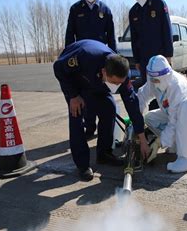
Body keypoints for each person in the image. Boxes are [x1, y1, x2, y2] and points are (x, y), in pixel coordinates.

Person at [53, 39, 149, 181]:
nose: (117, 86)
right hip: (77, 83)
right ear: (104, 72)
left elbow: (132, 106)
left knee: (109, 107)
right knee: (77, 116)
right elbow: (58, 67)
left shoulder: (122, 76)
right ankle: (82, 165)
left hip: (98, 85)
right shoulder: (85, 56)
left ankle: (104, 154)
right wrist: (73, 95)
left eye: (120, 83)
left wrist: (142, 139)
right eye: (114, 82)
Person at [137, 55, 187, 173]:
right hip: (177, 112)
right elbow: (142, 95)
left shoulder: (178, 87)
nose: (154, 82)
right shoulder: (154, 79)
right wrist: (136, 121)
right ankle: (176, 144)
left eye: (157, 80)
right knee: (150, 118)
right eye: (152, 79)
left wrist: (159, 142)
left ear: (166, 76)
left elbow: (174, 122)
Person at [65, 0, 117, 138]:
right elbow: (69, 35)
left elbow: (111, 37)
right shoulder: (75, 9)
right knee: (85, 93)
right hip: (82, 60)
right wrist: (69, 56)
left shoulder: (105, 10)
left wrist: (113, 59)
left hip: (101, 59)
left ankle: (104, 128)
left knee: (100, 92)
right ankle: (89, 126)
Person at [128, 0, 173, 85]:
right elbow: (134, 38)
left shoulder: (158, 4)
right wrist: (137, 60)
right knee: (148, 89)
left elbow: (167, 30)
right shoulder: (133, 12)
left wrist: (168, 55)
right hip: (144, 60)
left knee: (163, 89)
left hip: (160, 57)